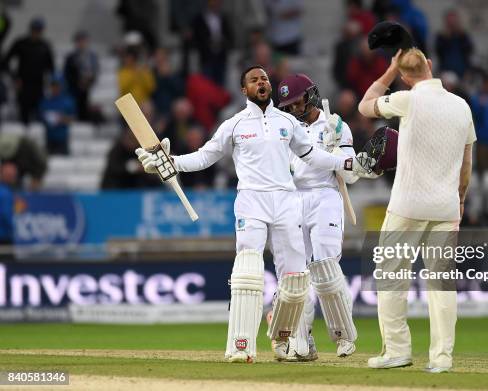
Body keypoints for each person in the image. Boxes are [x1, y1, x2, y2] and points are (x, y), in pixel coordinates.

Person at [135, 65, 372, 363]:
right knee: (248, 271)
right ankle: (241, 346)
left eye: (264, 78)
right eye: (253, 80)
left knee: (296, 278)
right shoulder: (234, 124)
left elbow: (312, 155)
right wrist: (171, 162)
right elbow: (206, 156)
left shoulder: (287, 121)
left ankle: (288, 342)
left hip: (287, 202)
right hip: (251, 200)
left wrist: (347, 164)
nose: (260, 82)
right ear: (243, 90)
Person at [357, 48, 476, 371]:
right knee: (442, 285)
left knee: (392, 278)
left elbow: (364, 105)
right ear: (431, 66)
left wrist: (388, 73)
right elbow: (466, 163)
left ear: (405, 77)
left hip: (407, 205)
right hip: (446, 206)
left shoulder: (406, 99)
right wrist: (461, 198)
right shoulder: (462, 106)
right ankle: (441, 358)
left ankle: (397, 351)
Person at [276, 73, 359, 360]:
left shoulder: (337, 125)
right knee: (297, 272)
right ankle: (302, 341)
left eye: (296, 101)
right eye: (287, 104)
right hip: (293, 198)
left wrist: (338, 147)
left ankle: (343, 336)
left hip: (325, 195)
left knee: (325, 267)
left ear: (311, 95)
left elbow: (350, 175)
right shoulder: (284, 127)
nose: (292, 108)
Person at [2, 17, 54, 124]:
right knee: (23, 112)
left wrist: (50, 83)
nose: (36, 32)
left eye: (39, 30)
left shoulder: (45, 46)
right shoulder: (21, 43)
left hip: (38, 85)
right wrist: (14, 77)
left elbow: (50, 67)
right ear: (30, 29)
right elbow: (5, 62)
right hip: (22, 84)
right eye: (34, 29)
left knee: (37, 113)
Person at [63, 31, 99, 122]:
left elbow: (95, 71)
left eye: (83, 41)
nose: (81, 43)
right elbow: (67, 73)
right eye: (79, 41)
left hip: (88, 87)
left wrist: (88, 82)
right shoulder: (71, 57)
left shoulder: (92, 57)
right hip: (75, 88)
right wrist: (77, 82)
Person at [39, 76, 76, 155]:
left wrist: (59, 119)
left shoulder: (68, 101)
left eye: (57, 86)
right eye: (53, 86)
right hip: (49, 138)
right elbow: (41, 117)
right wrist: (48, 118)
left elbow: (72, 118)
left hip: (62, 139)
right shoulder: (45, 102)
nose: (55, 88)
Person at [435, 9, 473, 78]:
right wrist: (446, 38)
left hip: (462, 72)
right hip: (446, 71)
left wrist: (461, 35)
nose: (452, 25)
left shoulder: (463, 36)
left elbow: (469, 50)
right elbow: (439, 52)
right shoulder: (441, 37)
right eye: (450, 22)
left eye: (454, 22)